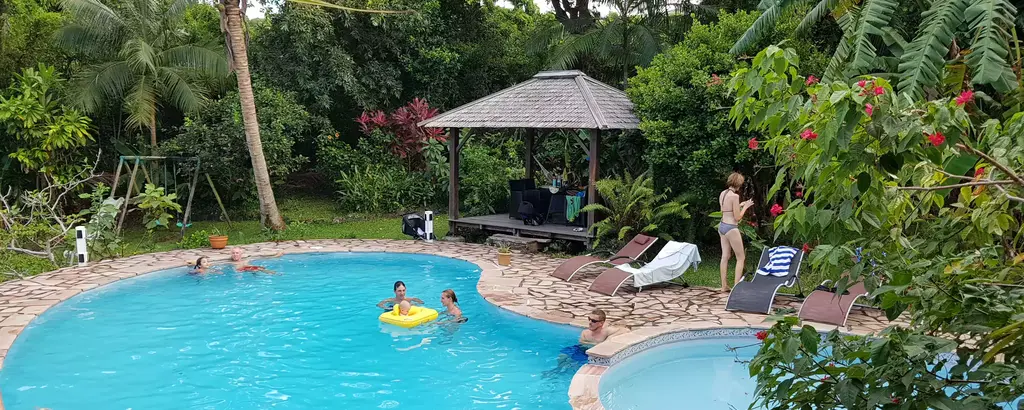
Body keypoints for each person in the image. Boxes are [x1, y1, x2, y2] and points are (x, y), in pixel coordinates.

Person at [719, 172, 754, 292]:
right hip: (731, 228)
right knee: (740, 257)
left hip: (722, 226)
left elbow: (725, 209)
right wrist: (745, 207)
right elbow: (738, 217)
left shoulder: (723, 193)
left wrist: (739, 205)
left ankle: (724, 286)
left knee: (725, 256)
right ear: (739, 184)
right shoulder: (734, 196)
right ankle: (736, 287)